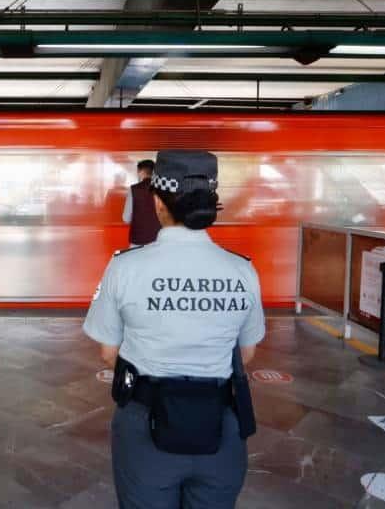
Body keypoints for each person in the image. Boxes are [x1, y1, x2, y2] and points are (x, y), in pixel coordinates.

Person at [84, 150, 265, 509]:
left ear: (158, 203)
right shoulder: (242, 270)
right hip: (220, 427)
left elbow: (108, 352)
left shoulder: (125, 268)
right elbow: (247, 352)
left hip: (146, 427)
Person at [122, 159, 160, 246]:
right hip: (157, 240)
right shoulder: (161, 189)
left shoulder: (134, 189)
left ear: (141, 171)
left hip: (138, 239)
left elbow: (126, 218)